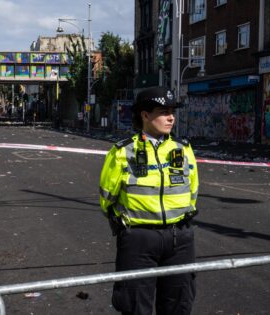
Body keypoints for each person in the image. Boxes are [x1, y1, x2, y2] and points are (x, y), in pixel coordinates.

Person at [99, 86, 199, 315]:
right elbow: (107, 198)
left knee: (179, 304)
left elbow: (193, 190)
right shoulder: (124, 151)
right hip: (139, 239)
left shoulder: (183, 149)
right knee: (135, 306)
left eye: (172, 111)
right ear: (145, 115)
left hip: (180, 238)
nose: (171, 117)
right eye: (164, 111)